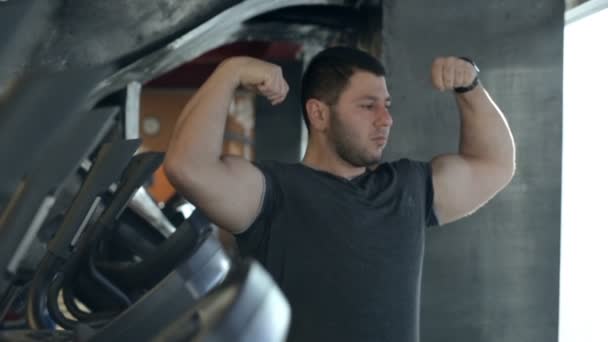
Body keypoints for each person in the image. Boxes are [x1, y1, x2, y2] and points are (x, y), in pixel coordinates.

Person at [164, 46, 515, 342]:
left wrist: (470, 86)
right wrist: (231, 70)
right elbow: (188, 167)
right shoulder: (274, 193)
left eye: (387, 104)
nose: (386, 119)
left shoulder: (408, 187)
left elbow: (493, 164)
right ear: (319, 113)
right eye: (367, 106)